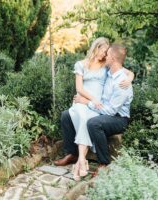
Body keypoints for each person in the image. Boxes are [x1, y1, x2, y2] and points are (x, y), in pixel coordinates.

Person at [54, 43, 133, 180]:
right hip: (103, 110)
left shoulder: (122, 83)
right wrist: (131, 74)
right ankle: (72, 154)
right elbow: (121, 67)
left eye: (107, 54)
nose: (105, 56)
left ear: (112, 58)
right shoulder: (110, 72)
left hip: (118, 118)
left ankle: (104, 163)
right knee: (67, 115)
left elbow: (110, 111)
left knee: (93, 123)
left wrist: (87, 103)